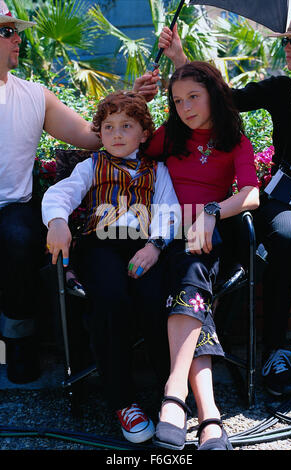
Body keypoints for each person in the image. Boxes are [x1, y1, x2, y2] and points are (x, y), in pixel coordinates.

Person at [152, 9, 291, 398]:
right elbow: (221, 100)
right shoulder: (282, 89)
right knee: (285, 235)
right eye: (286, 40)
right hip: (286, 197)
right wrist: (181, 61)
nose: (288, 47)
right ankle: (276, 352)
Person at [42, 90, 181, 444]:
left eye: (126, 126)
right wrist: (57, 221)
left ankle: (170, 394)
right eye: (108, 127)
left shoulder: (157, 170)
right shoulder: (91, 165)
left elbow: (169, 211)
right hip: (100, 246)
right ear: (99, 133)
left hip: (144, 248)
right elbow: (60, 194)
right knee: (110, 301)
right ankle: (123, 400)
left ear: (144, 133)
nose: (116, 134)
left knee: (156, 301)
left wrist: (155, 245)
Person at [142, 61, 259, 450]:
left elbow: (251, 194)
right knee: (192, 289)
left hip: (204, 241)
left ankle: (174, 396)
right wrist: (138, 100)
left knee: (191, 266)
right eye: (177, 101)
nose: (185, 108)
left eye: (194, 97)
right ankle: (210, 415)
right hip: (161, 237)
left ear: (214, 93)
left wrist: (211, 212)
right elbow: (121, 141)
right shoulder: (169, 136)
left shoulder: (234, 139)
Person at [0, 2, 103, 384]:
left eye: (16, 30)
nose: (17, 38)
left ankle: (18, 341)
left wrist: (133, 101)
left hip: (14, 207)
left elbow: (93, 138)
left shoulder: (35, 96)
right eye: (6, 31)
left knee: (17, 237)